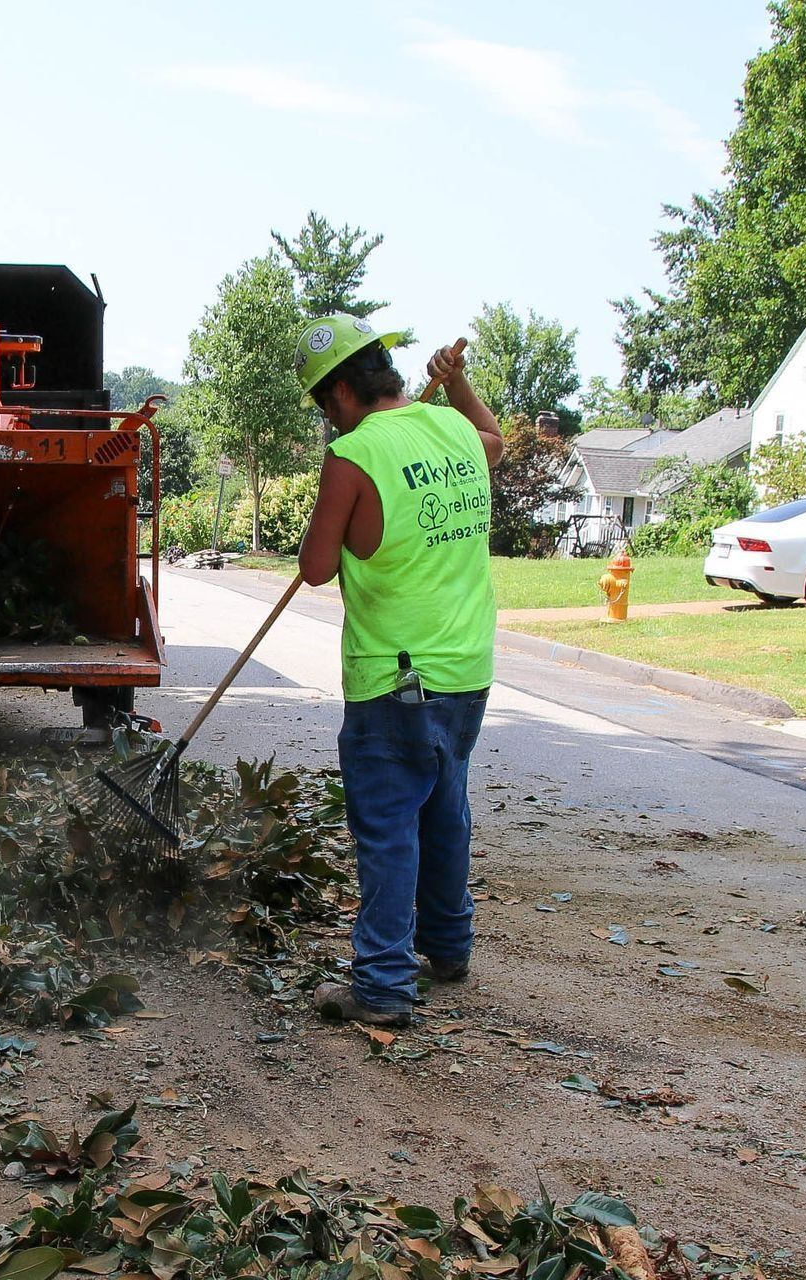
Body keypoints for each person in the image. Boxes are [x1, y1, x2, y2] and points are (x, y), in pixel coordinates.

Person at [293, 314, 504, 1028]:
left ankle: (383, 985)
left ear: (341, 394)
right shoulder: (452, 431)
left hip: (395, 677)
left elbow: (316, 569)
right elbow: (497, 442)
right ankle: (447, 945)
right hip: (467, 668)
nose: (329, 420)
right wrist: (460, 387)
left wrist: (338, 513)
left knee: (387, 826)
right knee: (445, 806)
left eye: (327, 406)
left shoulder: (354, 454)